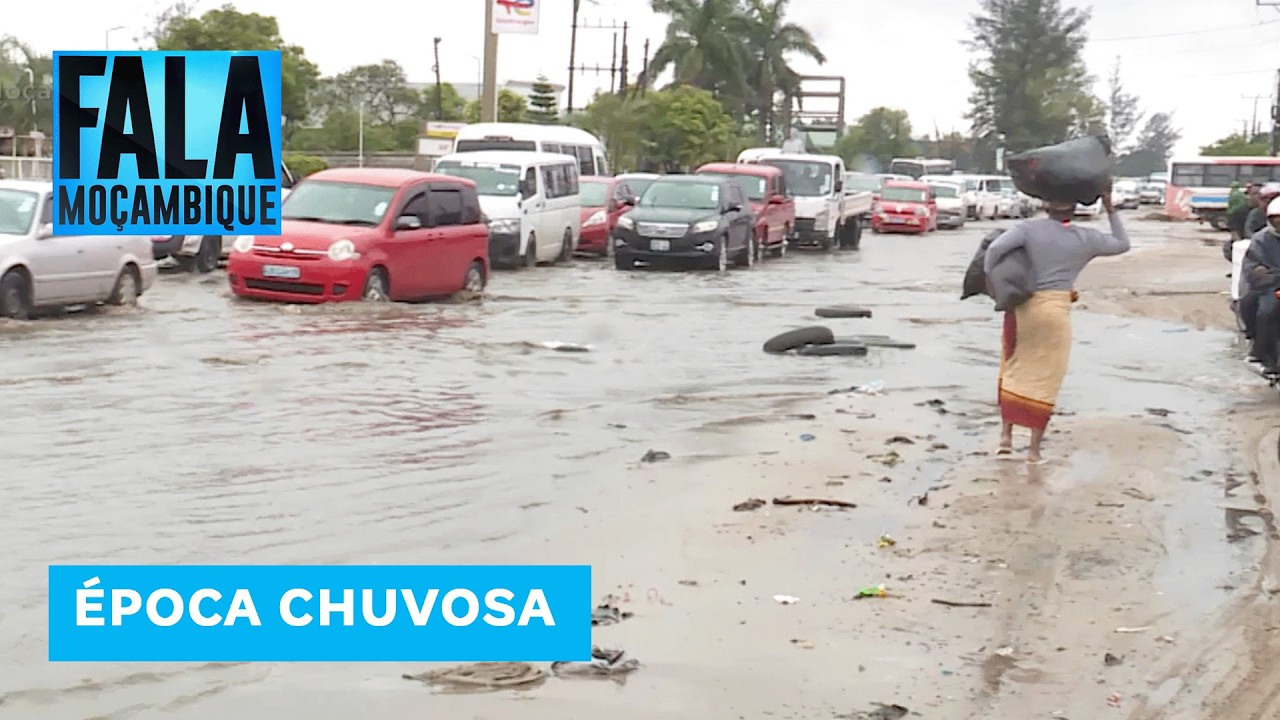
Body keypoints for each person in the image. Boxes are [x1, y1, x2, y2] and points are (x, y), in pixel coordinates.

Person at [982, 184, 1131, 464]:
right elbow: (1123, 244)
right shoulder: (1086, 238)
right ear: (1074, 209)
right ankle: (1034, 452)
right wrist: (1110, 207)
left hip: (1022, 308)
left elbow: (995, 251)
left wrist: (995, 280)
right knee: (1046, 378)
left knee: (1012, 366)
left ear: (1045, 206)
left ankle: (1005, 438)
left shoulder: (1027, 230)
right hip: (1055, 310)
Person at [1240, 197, 1280, 371]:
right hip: (1273, 284)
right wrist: (1264, 275)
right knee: (1259, 307)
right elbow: (1252, 266)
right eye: (1277, 220)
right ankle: (1260, 351)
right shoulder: (1261, 239)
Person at [1227, 182, 1253, 247]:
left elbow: (1230, 204)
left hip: (1233, 214)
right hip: (1243, 213)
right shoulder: (1241, 194)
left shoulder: (1232, 194)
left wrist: (1229, 213)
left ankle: (1236, 243)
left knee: (1234, 230)